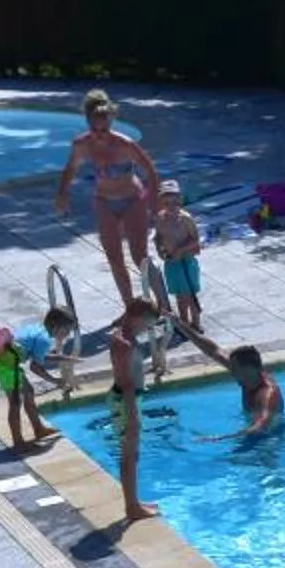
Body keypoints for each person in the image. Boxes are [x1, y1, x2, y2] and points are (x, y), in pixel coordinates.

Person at [53, 90, 163, 302]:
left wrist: (154, 201)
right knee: (114, 258)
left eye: (104, 129)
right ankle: (130, 307)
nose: (100, 134)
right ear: (88, 123)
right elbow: (70, 169)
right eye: (95, 129)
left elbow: (150, 170)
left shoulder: (125, 145)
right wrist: (62, 194)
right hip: (104, 201)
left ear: (111, 122)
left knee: (139, 256)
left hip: (132, 200)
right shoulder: (81, 145)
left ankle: (163, 304)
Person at [107, 294, 163, 522]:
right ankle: (132, 508)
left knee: (132, 454)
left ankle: (134, 502)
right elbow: (127, 381)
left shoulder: (122, 335)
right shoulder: (125, 343)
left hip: (126, 398)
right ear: (138, 318)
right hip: (126, 400)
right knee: (129, 456)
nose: (149, 328)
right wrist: (132, 415)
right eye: (149, 323)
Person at [186, 334, 284, 441]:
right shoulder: (249, 376)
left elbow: (260, 426)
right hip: (249, 430)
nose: (232, 373)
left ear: (250, 368)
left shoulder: (267, 394)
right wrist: (177, 322)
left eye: (235, 369)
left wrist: (218, 438)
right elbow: (214, 351)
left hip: (269, 439)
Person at [150, 178, 205, 334]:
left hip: (186, 262)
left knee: (190, 295)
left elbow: (195, 240)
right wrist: (159, 249)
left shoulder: (185, 219)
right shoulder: (160, 219)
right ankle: (184, 324)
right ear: (162, 203)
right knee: (180, 297)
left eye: (174, 202)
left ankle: (196, 322)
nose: (171, 207)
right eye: (167, 203)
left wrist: (181, 250)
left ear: (180, 200)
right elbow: (158, 237)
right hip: (172, 263)